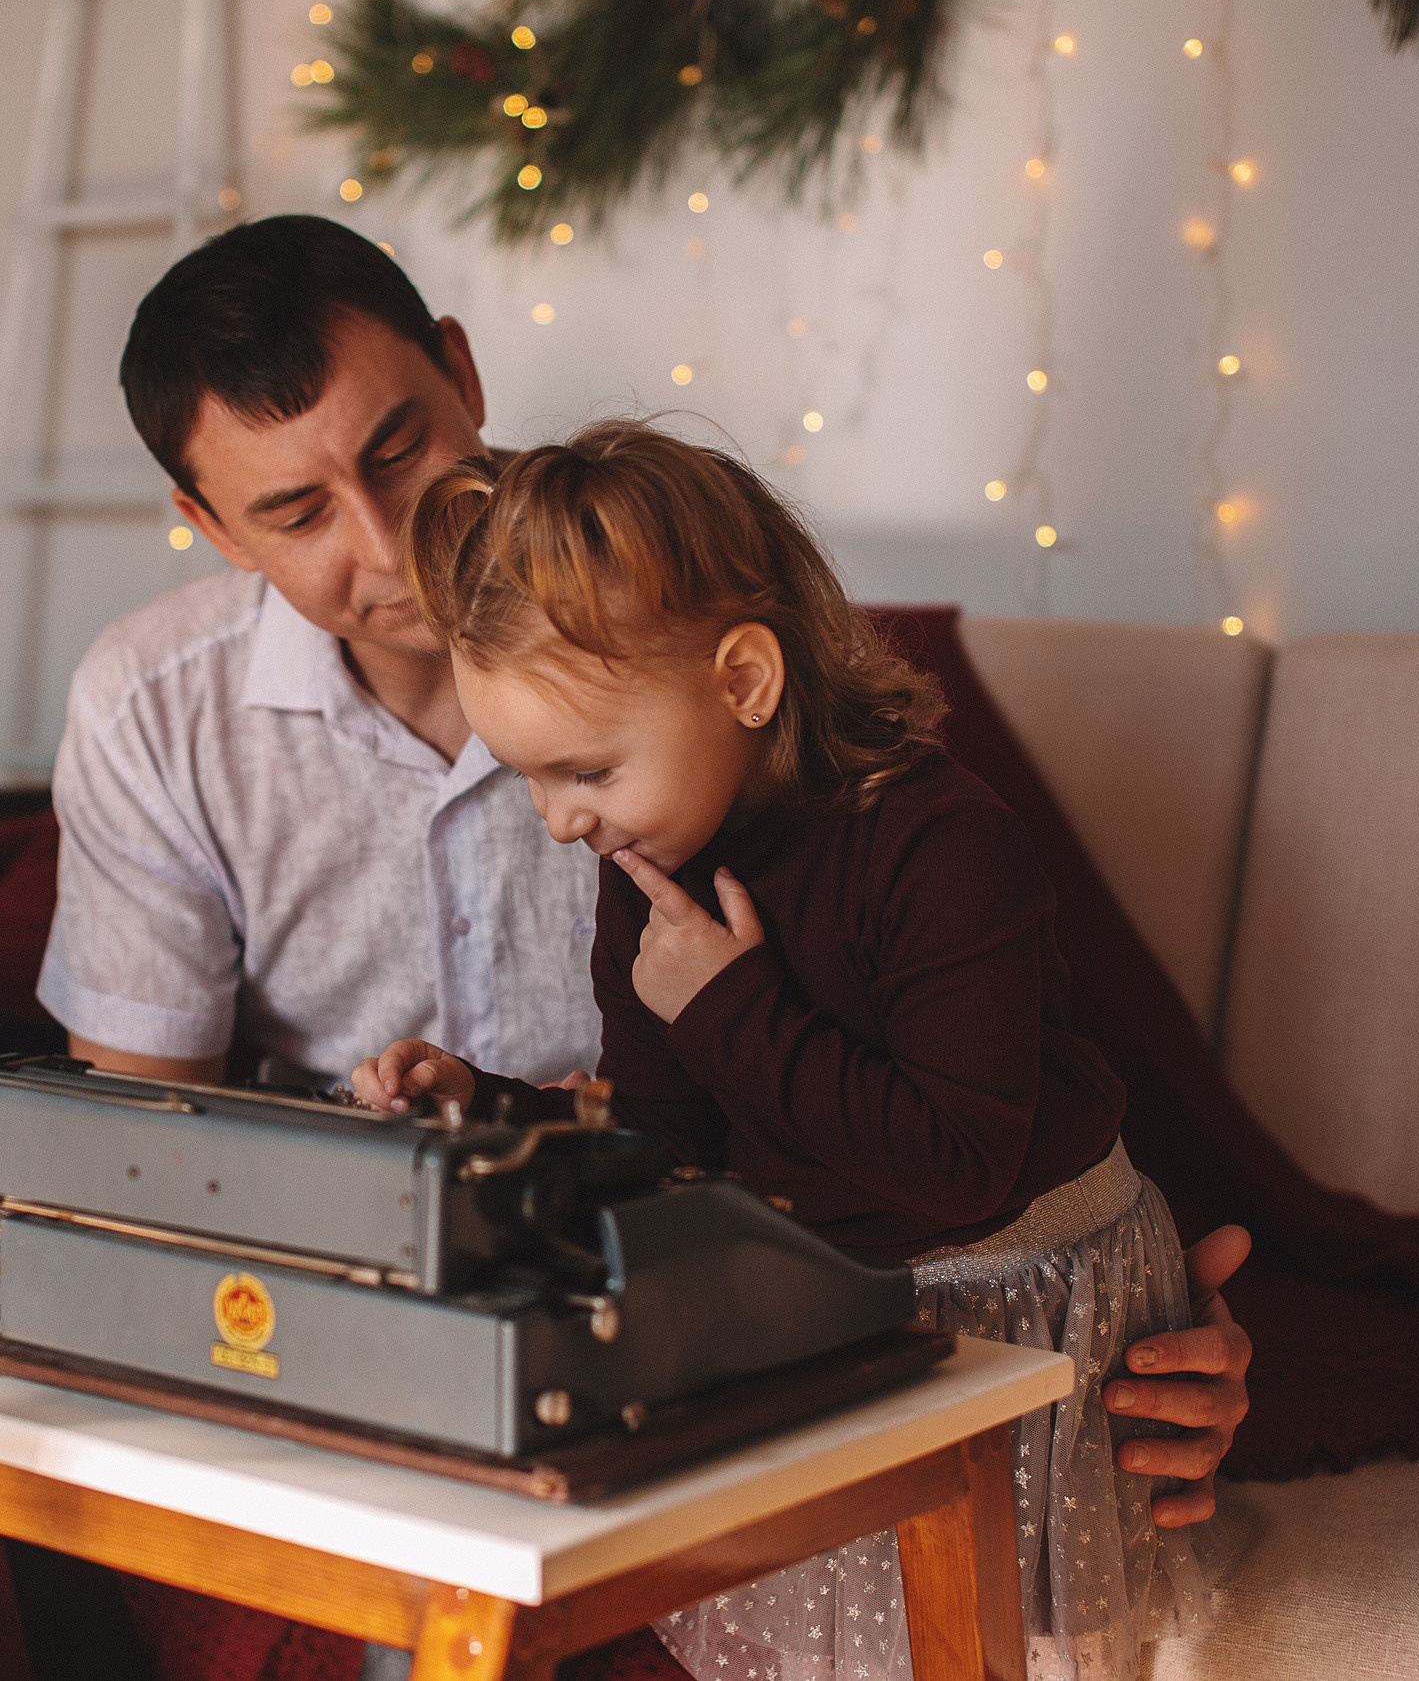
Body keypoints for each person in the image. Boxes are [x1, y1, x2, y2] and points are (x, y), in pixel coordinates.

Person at [53, 213, 1246, 1515]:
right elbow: (139, 1170)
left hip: (753, 1286)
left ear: (462, 368)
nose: (389, 546)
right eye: (295, 511)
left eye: (399, 450)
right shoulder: (152, 710)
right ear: (209, 522)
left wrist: (1180, 1305)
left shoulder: (712, 657)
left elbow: (1011, 1089)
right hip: (453, 1286)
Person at [350, 423, 1223, 1681]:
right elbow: (670, 1143)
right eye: (529, 778)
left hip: (1019, 1295)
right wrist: (485, 1106)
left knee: (997, 1655)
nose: (556, 823)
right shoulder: (646, 865)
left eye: (583, 769)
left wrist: (728, 1006)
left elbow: (958, 1165)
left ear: (744, 681)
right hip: (831, 1296)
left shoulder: (944, 849)